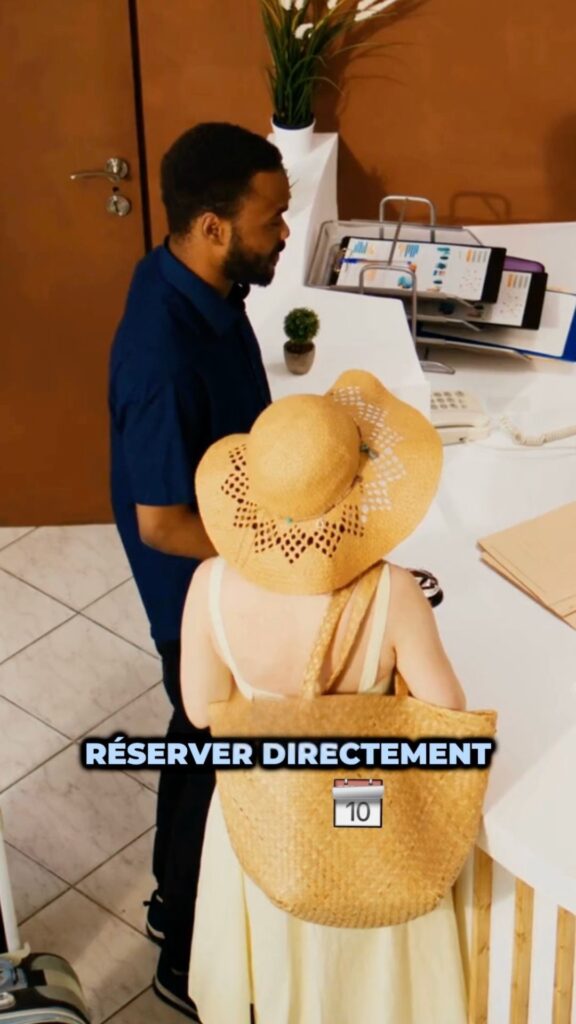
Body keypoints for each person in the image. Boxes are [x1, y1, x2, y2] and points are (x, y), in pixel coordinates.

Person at [180, 369, 469, 1024]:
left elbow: (201, 710)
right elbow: (447, 712)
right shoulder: (391, 592)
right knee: (362, 944)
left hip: (266, 806)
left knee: (282, 951)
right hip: (358, 798)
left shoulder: (211, 585)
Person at [108, 121, 290, 1019]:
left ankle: (164, 904)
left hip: (227, 556)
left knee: (193, 748)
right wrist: (286, 548)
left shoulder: (191, 275)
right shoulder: (163, 357)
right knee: (212, 766)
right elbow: (163, 523)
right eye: (271, 220)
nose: (284, 233)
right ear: (213, 227)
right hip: (198, 599)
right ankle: (184, 959)